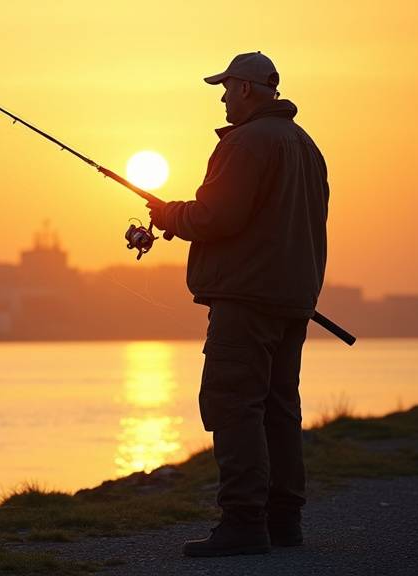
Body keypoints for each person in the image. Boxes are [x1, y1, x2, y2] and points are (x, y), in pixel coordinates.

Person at [147, 52, 329, 557]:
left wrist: (170, 215)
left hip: (247, 300)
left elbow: (216, 217)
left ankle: (245, 523)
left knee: (233, 404)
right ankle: (283, 520)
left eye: (226, 88)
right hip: (291, 301)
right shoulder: (306, 145)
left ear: (247, 88)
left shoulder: (248, 143)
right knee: (277, 409)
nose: (224, 97)